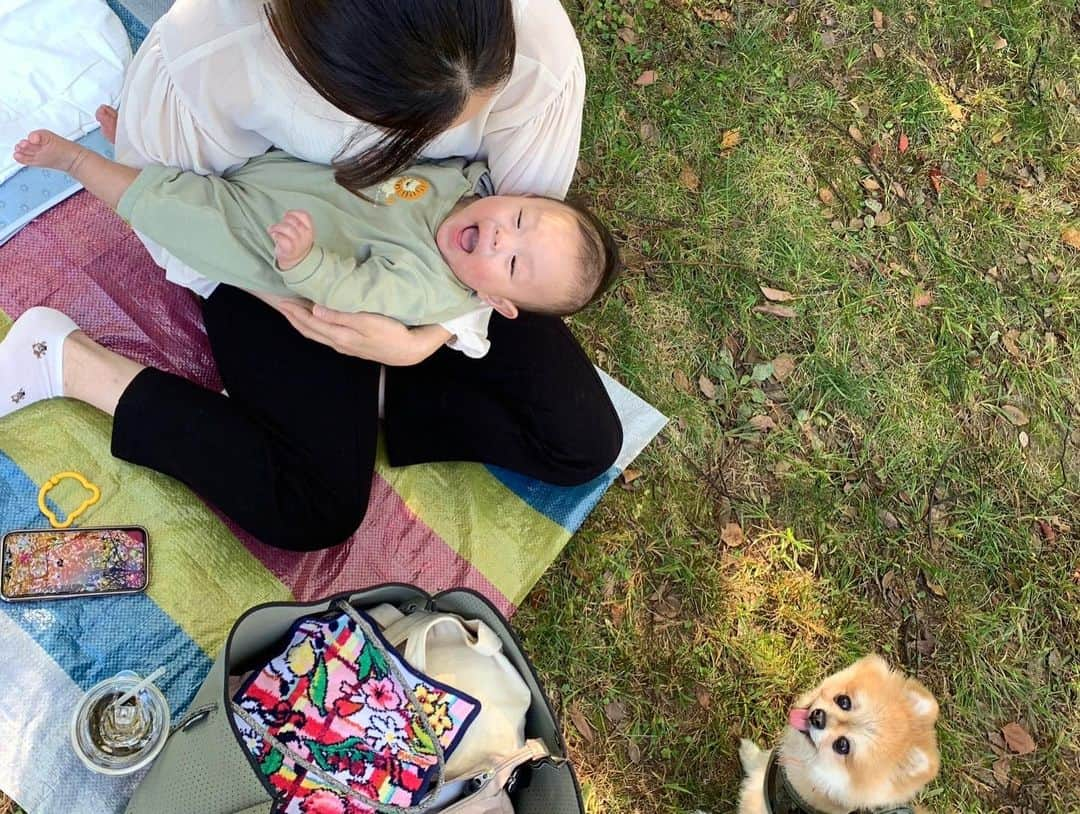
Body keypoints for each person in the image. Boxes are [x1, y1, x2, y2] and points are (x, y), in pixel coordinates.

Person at [0, 0, 623, 551]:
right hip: (277, 255)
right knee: (314, 509)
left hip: (450, 275)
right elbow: (184, 226)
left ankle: (368, 390)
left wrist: (421, 339)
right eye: (407, 129)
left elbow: (527, 222)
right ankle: (71, 362)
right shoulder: (205, 51)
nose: (432, 143)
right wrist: (292, 292)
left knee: (584, 443)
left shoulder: (539, 59)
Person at [14, 131, 620, 347]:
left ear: (498, 304)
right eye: (517, 219)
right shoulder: (464, 183)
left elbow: (353, 289)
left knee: (177, 208)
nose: (496, 239)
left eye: (512, 264)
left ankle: (76, 164)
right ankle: (139, 144)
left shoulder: (427, 287)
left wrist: (303, 263)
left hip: (260, 239)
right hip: (291, 173)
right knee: (195, 154)